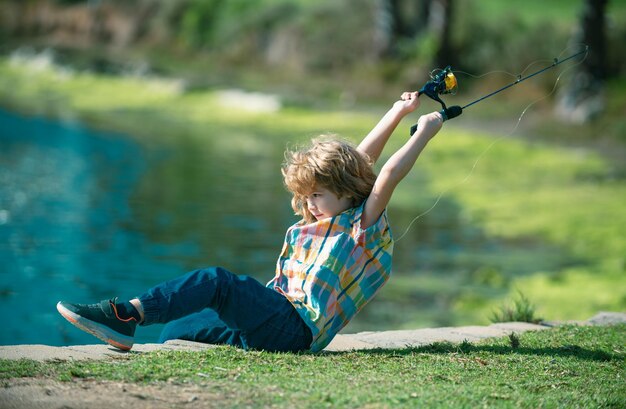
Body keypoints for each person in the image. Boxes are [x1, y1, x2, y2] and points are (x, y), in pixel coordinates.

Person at [57, 91, 444, 353]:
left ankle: (127, 314)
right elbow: (358, 162)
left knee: (218, 282)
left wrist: (424, 131)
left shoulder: (360, 227)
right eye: (307, 195)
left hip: (295, 328)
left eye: (318, 195)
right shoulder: (326, 210)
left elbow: (386, 172)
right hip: (275, 316)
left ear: (346, 190)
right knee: (176, 331)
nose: (310, 203)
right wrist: (398, 111)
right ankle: (219, 337)